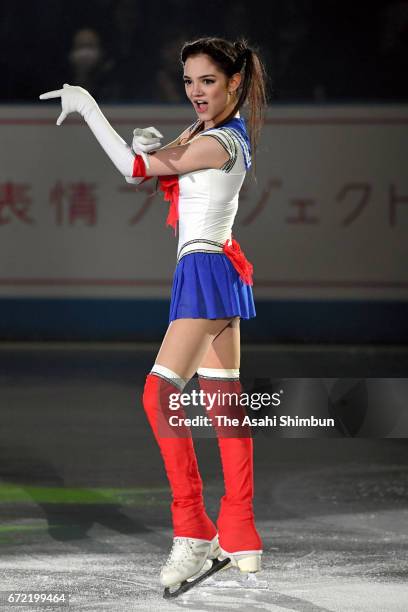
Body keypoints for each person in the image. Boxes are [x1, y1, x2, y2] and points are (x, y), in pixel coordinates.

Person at [39, 34, 268, 595]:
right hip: (216, 269)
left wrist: (89, 106)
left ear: (234, 82)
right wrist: (155, 148)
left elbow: (133, 166)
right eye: (189, 80)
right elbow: (151, 174)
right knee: (222, 397)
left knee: (159, 393)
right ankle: (239, 528)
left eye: (208, 81)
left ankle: (194, 530)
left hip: (206, 271)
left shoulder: (219, 140)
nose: (195, 91)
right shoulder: (208, 134)